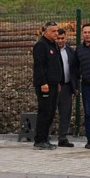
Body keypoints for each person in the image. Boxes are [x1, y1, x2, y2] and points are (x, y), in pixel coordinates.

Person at [32, 21, 63, 150]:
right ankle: (39, 140)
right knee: (44, 112)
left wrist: (58, 81)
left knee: (50, 112)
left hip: (54, 84)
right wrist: (43, 83)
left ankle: (45, 138)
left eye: (57, 31)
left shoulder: (53, 45)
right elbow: (39, 66)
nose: (56, 33)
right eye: (53, 31)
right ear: (46, 32)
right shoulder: (41, 45)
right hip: (45, 85)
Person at [55, 28, 79, 147]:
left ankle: (63, 138)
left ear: (66, 38)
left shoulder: (70, 51)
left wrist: (75, 87)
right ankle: (44, 137)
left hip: (67, 86)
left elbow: (75, 70)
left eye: (62, 38)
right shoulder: (51, 51)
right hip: (54, 86)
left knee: (66, 113)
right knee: (49, 112)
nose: (60, 41)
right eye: (58, 38)